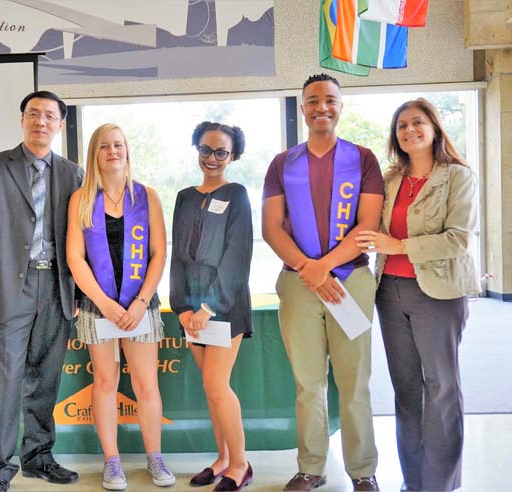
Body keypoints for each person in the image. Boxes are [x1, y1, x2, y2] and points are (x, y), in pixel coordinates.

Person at [262, 73, 384, 492]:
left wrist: (325, 267)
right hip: (299, 285)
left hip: (351, 281)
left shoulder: (363, 159)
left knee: (354, 381)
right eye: (312, 100)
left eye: (329, 100)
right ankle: (311, 467)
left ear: (340, 106)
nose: (321, 107)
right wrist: (308, 269)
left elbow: (368, 225)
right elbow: (272, 228)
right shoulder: (283, 163)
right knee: (308, 382)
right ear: (302, 108)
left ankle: (362, 470)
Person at [355, 98, 478, 492]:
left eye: (417, 123)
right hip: (389, 292)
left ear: (435, 128)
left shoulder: (457, 177)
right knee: (406, 391)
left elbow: (458, 240)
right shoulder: (390, 181)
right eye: (402, 126)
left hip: (439, 294)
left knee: (440, 388)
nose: (409, 130)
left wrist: (399, 246)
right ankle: (413, 482)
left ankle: (439, 484)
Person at [0, 90, 83, 492]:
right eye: (33, 114)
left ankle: (38, 457)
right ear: (22, 120)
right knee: (6, 382)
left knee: (45, 379)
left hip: (57, 288)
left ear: (59, 125)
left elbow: (85, 240)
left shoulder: (73, 174)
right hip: (9, 290)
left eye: (49, 116)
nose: (40, 122)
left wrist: (81, 297)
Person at [66, 123, 174, 491]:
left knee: (146, 385)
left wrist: (141, 301)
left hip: (142, 306)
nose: (113, 151)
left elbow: (159, 254)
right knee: (106, 382)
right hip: (99, 308)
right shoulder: (81, 200)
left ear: (127, 151)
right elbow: (75, 257)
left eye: (119, 145)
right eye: (104, 146)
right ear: (94, 154)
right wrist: (104, 304)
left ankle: (155, 458)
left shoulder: (148, 197)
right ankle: (112, 462)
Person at [169, 122, 254, 492]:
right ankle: (221, 459)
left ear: (232, 156)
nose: (212, 158)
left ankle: (240, 464)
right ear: (197, 150)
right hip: (191, 308)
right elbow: (177, 258)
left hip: (224, 305)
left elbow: (238, 256)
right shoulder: (185, 197)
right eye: (206, 150)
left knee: (217, 385)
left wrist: (209, 306)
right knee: (210, 389)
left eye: (221, 152)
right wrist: (181, 307)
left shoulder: (237, 194)